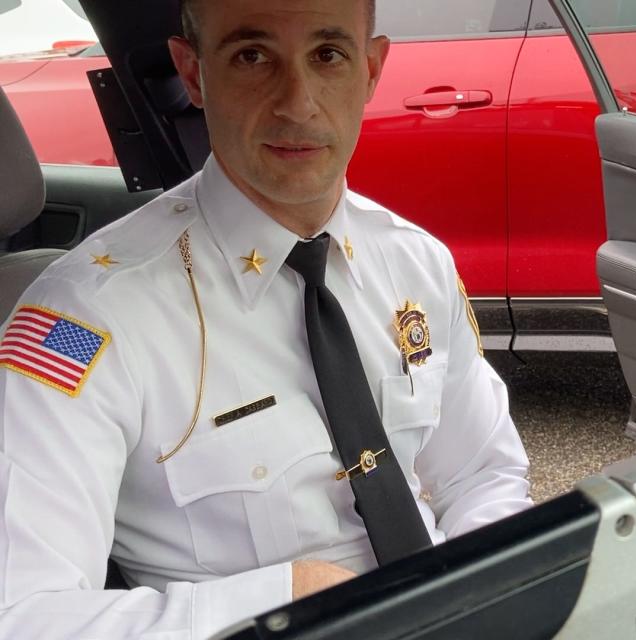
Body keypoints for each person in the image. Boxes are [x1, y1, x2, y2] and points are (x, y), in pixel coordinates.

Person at [0, 0, 532, 637]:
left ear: (370, 68)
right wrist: (290, 601)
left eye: (328, 55)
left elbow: (481, 475)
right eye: (253, 57)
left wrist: (491, 597)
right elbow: (22, 614)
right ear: (193, 73)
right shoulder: (87, 319)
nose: (298, 102)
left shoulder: (416, 262)